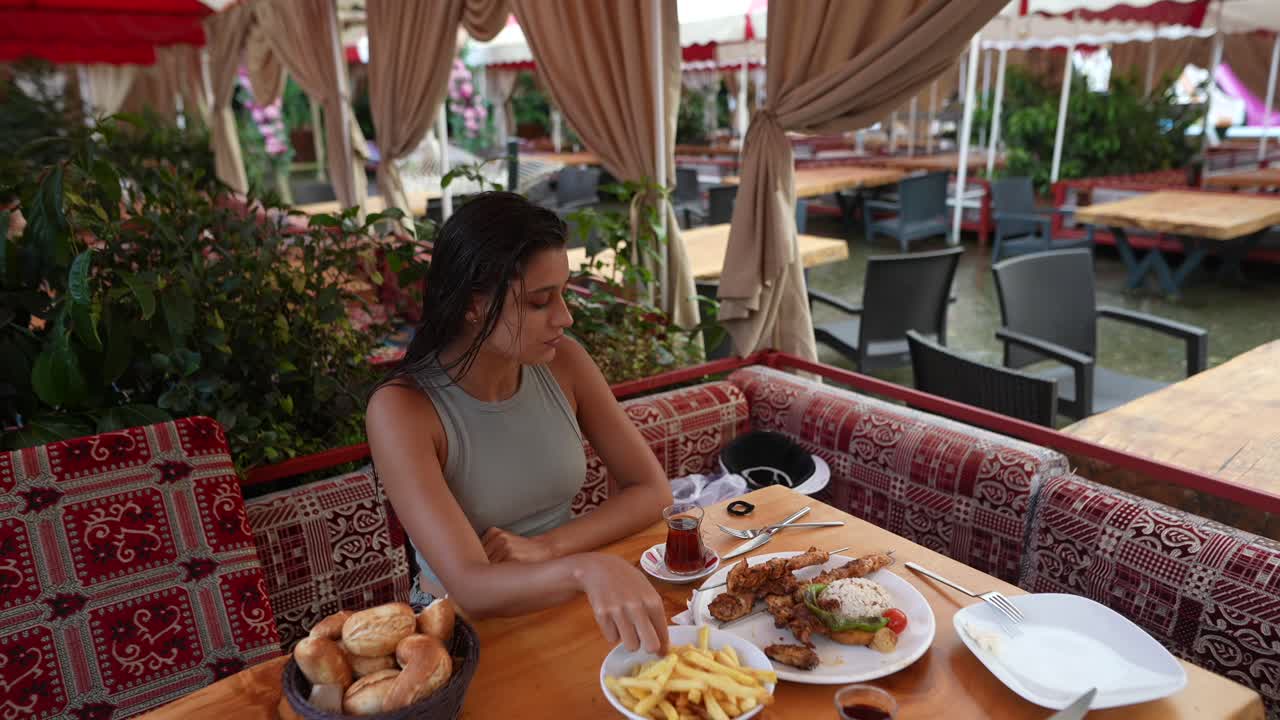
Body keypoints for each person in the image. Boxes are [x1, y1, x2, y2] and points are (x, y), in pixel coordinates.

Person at [366, 192, 673, 654]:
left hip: (571, 598)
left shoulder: (564, 362)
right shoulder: (402, 410)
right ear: (473, 306)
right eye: (538, 302)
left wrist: (551, 549)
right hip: (459, 633)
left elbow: (651, 491)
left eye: (563, 294)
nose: (564, 317)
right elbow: (472, 586)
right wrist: (583, 568)